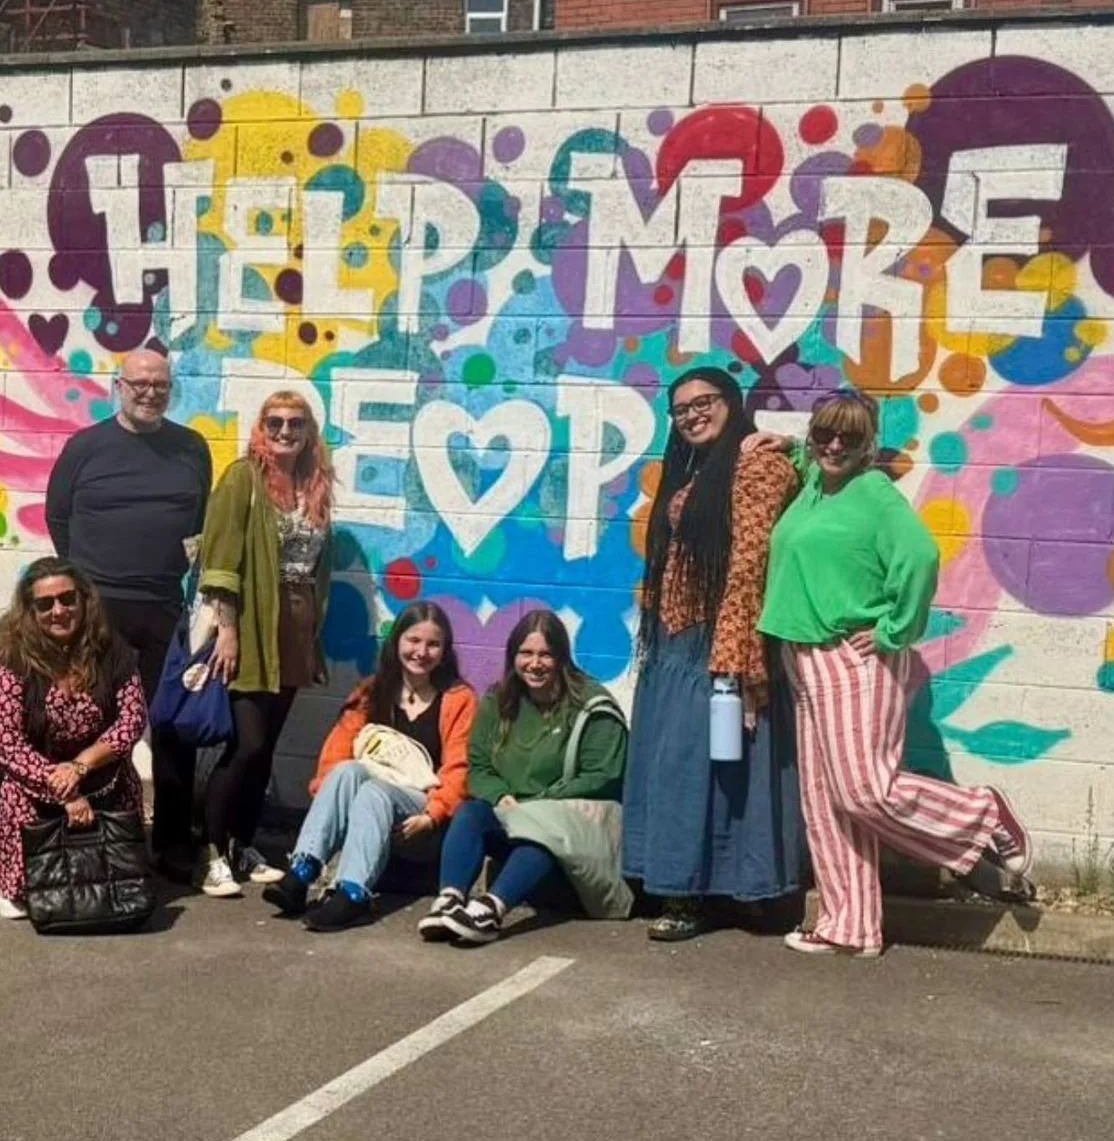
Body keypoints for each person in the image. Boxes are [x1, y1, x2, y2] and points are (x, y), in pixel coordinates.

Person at [758, 389, 1034, 959]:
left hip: (851, 656)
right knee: (824, 800)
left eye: (850, 438)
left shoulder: (874, 493)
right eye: (825, 433)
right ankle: (849, 925)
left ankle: (983, 813)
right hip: (801, 656)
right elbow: (809, 460)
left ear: (868, 448)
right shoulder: (816, 480)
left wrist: (892, 630)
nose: (834, 445)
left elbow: (921, 557)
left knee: (864, 790)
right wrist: (787, 447)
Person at [621, 367, 804, 942]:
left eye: (705, 402)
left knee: (721, 764)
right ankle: (690, 887)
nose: (694, 415)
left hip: (721, 645)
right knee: (693, 765)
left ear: (732, 403)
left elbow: (749, 565)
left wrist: (731, 659)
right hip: (679, 640)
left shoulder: (756, 463)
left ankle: (714, 891)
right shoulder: (698, 465)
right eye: (681, 409)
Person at [46, 348, 211, 881]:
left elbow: (201, 522)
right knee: (90, 723)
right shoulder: (85, 448)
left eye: (160, 385)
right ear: (119, 386)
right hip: (99, 612)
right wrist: (84, 585)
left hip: (165, 606)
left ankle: (172, 844)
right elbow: (58, 515)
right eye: (139, 383)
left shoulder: (191, 448)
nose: (150, 393)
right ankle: (93, 834)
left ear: (171, 389)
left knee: (170, 726)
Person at [264, 602, 478, 931]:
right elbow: (338, 749)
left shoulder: (459, 698)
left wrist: (433, 814)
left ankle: (353, 892)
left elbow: (459, 768)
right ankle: (302, 871)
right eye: (413, 641)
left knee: (374, 791)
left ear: (445, 651)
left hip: (423, 810)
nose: (421, 652)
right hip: (368, 802)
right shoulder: (372, 690)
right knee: (348, 771)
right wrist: (329, 798)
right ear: (396, 643)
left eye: (433, 644)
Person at [419, 610, 628, 945]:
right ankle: (449, 899)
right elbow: (479, 766)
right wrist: (500, 796)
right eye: (526, 653)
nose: (535, 663)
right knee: (471, 812)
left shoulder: (592, 706)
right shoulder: (498, 700)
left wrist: (536, 807)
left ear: (562, 657)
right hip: (509, 816)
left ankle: (490, 910)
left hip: (564, 832)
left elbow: (603, 776)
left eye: (546, 654)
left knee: (541, 833)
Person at [196, 390, 334, 898]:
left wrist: (314, 630)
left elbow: (320, 566)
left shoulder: (314, 483)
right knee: (246, 744)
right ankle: (211, 851)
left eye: (295, 423)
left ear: (308, 431)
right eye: (274, 422)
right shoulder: (242, 478)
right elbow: (220, 558)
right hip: (251, 625)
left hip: (295, 630)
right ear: (260, 426)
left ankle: (243, 843)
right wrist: (227, 630)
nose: (284, 432)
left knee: (267, 748)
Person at [0, 558, 147, 920]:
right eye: (45, 603)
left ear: (85, 600)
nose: (59, 610)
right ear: (29, 610)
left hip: (99, 773)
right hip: (34, 779)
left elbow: (132, 719)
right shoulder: (7, 662)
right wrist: (65, 791)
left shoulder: (111, 651)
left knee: (116, 885)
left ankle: (112, 876)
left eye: (68, 599)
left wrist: (81, 766)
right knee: (30, 898)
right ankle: (14, 879)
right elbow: (5, 742)